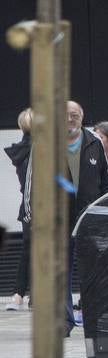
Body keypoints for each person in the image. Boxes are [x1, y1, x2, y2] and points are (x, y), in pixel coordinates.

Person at [65, 101, 108, 342]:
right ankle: (64, 321)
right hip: (59, 220)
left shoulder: (94, 143)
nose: (71, 119)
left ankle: (92, 318)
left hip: (87, 219)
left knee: (91, 271)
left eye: (75, 115)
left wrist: (104, 211)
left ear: (82, 118)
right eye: (66, 115)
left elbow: (106, 181)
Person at [5, 109, 32, 311]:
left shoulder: (21, 150)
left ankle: (19, 294)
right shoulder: (36, 149)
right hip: (38, 204)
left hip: (28, 205)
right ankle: (24, 294)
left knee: (28, 250)